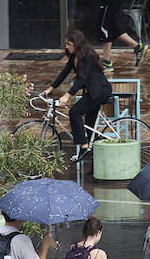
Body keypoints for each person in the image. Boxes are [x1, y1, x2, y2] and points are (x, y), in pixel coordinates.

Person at [42, 28, 112, 164]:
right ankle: (96, 155)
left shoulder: (89, 56)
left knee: (74, 112)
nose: (66, 47)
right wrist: (50, 89)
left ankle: (84, 148)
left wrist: (67, 95)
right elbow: (64, 72)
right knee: (89, 124)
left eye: (69, 44)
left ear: (77, 44)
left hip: (100, 91)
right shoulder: (75, 57)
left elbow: (83, 79)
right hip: (92, 92)